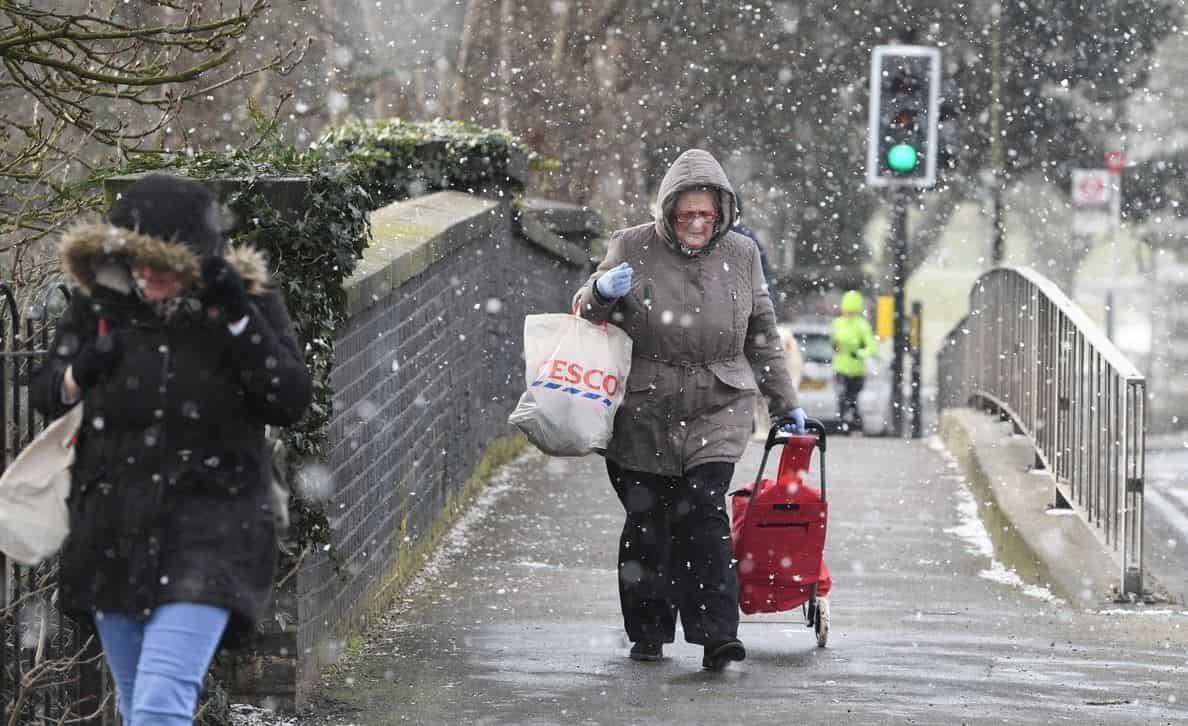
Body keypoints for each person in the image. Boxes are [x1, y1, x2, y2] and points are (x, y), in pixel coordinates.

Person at [32, 174, 312, 725]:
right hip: (114, 530)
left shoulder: (243, 307)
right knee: (138, 704)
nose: (143, 273)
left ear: (193, 261)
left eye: (157, 262)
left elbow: (288, 397)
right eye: (133, 259)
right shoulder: (101, 306)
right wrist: (83, 370)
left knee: (161, 703)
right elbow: (46, 392)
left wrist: (237, 317)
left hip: (213, 529)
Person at [575, 149, 804, 671]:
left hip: (718, 405)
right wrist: (601, 290)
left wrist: (785, 403)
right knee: (647, 520)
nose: (697, 224)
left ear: (723, 212)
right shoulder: (631, 245)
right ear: (668, 211)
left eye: (707, 215)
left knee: (703, 513)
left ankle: (716, 634)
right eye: (686, 215)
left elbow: (763, 337)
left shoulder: (743, 255)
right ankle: (649, 630)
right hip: (642, 407)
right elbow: (585, 311)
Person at [831, 289, 878, 434]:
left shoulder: (862, 325)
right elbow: (834, 342)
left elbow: (872, 348)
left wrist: (857, 353)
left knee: (851, 399)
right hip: (839, 369)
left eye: (851, 311)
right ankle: (844, 425)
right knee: (842, 398)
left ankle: (854, 426)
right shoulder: (837, 323)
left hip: (856, 370)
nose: (848, 314)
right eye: (847, 310)